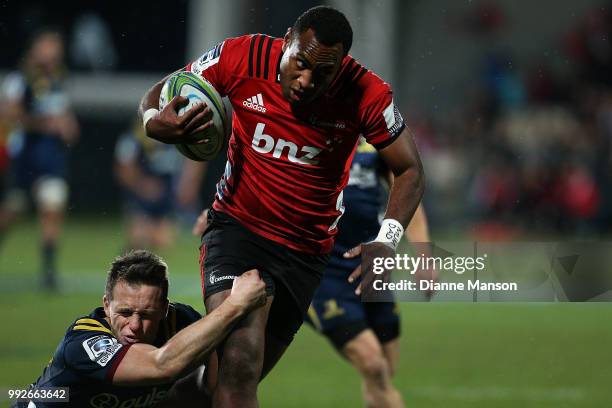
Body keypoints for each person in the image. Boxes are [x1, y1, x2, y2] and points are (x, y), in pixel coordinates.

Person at [140, 6, 425, 407]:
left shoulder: (366, 93)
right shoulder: (242, 56)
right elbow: (164, 89)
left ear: (341, 66)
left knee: (222, 383)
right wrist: (154, 120)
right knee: (241, 364)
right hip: (237, 231)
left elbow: (410, 169)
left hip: (304, 255)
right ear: (288, 38)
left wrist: (388, 240)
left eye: (322, 73)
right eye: (300, 63)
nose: (306, 80)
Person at [11, 249, 266, 408]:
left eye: (146, 314)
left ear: (164, 309)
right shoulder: (84, 343)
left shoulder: (181, 323)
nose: (134, 326)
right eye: (124, 313)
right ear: (106, 304)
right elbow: (161, 365)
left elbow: (211, 388)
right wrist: (236, 305)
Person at [304, 138, 433, 408]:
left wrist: (424, 255)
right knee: (373, 364)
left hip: (370, 267)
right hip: (323, 272)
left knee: (384, 370)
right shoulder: (309, 135)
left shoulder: (377, 141)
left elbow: (406, 192)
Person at [0, 29, 79, 290]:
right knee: (13, 211)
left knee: (52, 208)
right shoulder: (19, 80)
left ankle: (48, 273)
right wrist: (47, 124)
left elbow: (63, 114)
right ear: (36, 49)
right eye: (48, 45)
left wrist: (68, 126)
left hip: (51, 160)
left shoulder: (58, 80)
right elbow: (12, 116)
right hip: (25, 160)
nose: (54, 52)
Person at [114, 118, 206, 250]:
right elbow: (123, 168)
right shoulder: (135, 136)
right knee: (138, 237)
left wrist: (188, 184)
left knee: (163, 242)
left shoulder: (179, 136)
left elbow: (196, 158)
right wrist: (142, 184)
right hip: (142, 200)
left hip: (170, 198)